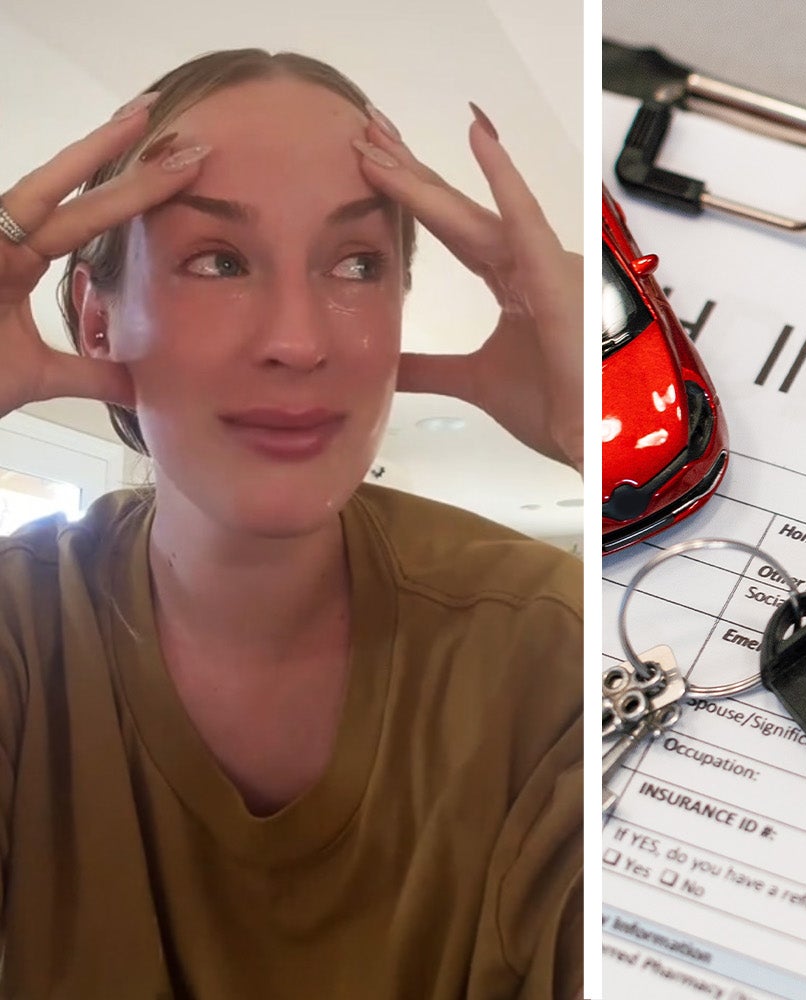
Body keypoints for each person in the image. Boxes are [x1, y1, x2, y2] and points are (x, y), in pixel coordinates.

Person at [0, 50, 583, 997]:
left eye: (357, 264)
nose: (299, 342)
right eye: (218, 261)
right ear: (97, 319)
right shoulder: (20, 630)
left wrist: (593, 437)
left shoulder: (548, 639)